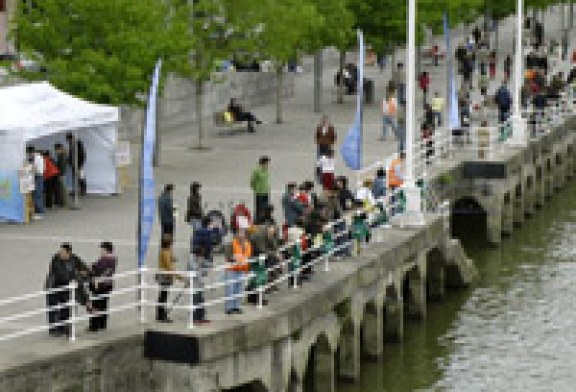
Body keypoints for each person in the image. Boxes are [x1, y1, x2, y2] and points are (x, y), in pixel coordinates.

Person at [46, 243, 88, 336]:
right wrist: (75, 276)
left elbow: (84, 268)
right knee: (53, 308)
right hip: (54, 286)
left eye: (62, 251)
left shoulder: (74, 258)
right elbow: (60, 274)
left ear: (68, 252)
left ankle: (64, 327)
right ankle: (53, 329)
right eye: (60, 251)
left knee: (66, 307)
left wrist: (83, 273)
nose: (60, 253)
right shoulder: (56, 259)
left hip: (67, 287)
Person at [87, 241, 116, 332]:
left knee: (96, 304)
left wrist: (96, 279)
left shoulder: (105, 260)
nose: (100, 251)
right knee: (103, 304)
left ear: (106, 250)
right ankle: (102, 324)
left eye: (102, 249)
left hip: (100, 285)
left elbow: (98, 269)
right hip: (108, 284)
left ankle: (94, 325)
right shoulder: (113, 259)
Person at [156, 239, 186, 323]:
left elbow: (169, 260)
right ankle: (161, 315)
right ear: (169, 244)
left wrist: (172, 258)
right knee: (163, 296)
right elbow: (169, 267)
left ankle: (160, 314)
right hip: (165, 277)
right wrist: (180, 277)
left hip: (165, 276)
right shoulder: (165, 252)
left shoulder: (165, 251)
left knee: (163, 295)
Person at [225, 227, 252, 314]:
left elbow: (248, 256)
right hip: (232, 269)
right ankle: (229, 308)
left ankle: (237, 307)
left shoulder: (247, 244)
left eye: (243, 234)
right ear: (236, 234)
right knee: (230, 289)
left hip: (242, 269)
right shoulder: (231, 244)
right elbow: (228, 257)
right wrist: (236, 259)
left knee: (240, 289)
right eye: (240, 233)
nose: (241, 236)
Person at [250, 156, 271, 223]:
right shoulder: (257, 171)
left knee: (266, 207)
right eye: (267, 163)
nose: (267, 165)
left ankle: (265, 219)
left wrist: (268, 188)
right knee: (259, 208)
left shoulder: (266, 170)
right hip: (259, 192)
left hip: (266, 191)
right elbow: (253, 181)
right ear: (263, 163)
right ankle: (258, 220)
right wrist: (255, 188)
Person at [26, 146, 45, 219]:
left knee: (37, 194)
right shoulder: (38, 157)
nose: (28, 155)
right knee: (36, 194)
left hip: (38, 176)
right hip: (37, 176)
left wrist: (29, 170)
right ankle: (37, 211)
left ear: (31, 152)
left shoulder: (37, 158)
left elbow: (35, 168)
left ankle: (39, 212)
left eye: (28, 153)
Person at [54, 143, 68, 208]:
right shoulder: (63, 154)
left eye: (56, 149)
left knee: (62, 189)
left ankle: (63, 202)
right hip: (62, 173)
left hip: (61, 173)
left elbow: (61, 166)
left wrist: (60, 174)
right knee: (62, 188)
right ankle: (63, 202)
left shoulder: (61, 155)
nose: (55, 151)